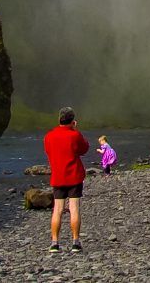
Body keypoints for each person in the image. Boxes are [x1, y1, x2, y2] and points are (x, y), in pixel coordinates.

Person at [43, 107, 90, 253]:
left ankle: (54, 243)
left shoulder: (49, 136)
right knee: (74, 208)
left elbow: (48, 151)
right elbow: (84, 149)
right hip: (74, 176)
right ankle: (75, 242)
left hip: (58, 176)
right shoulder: (74, 135)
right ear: (72, 121)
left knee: (57, 209)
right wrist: (75, 131)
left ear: (59, 119)